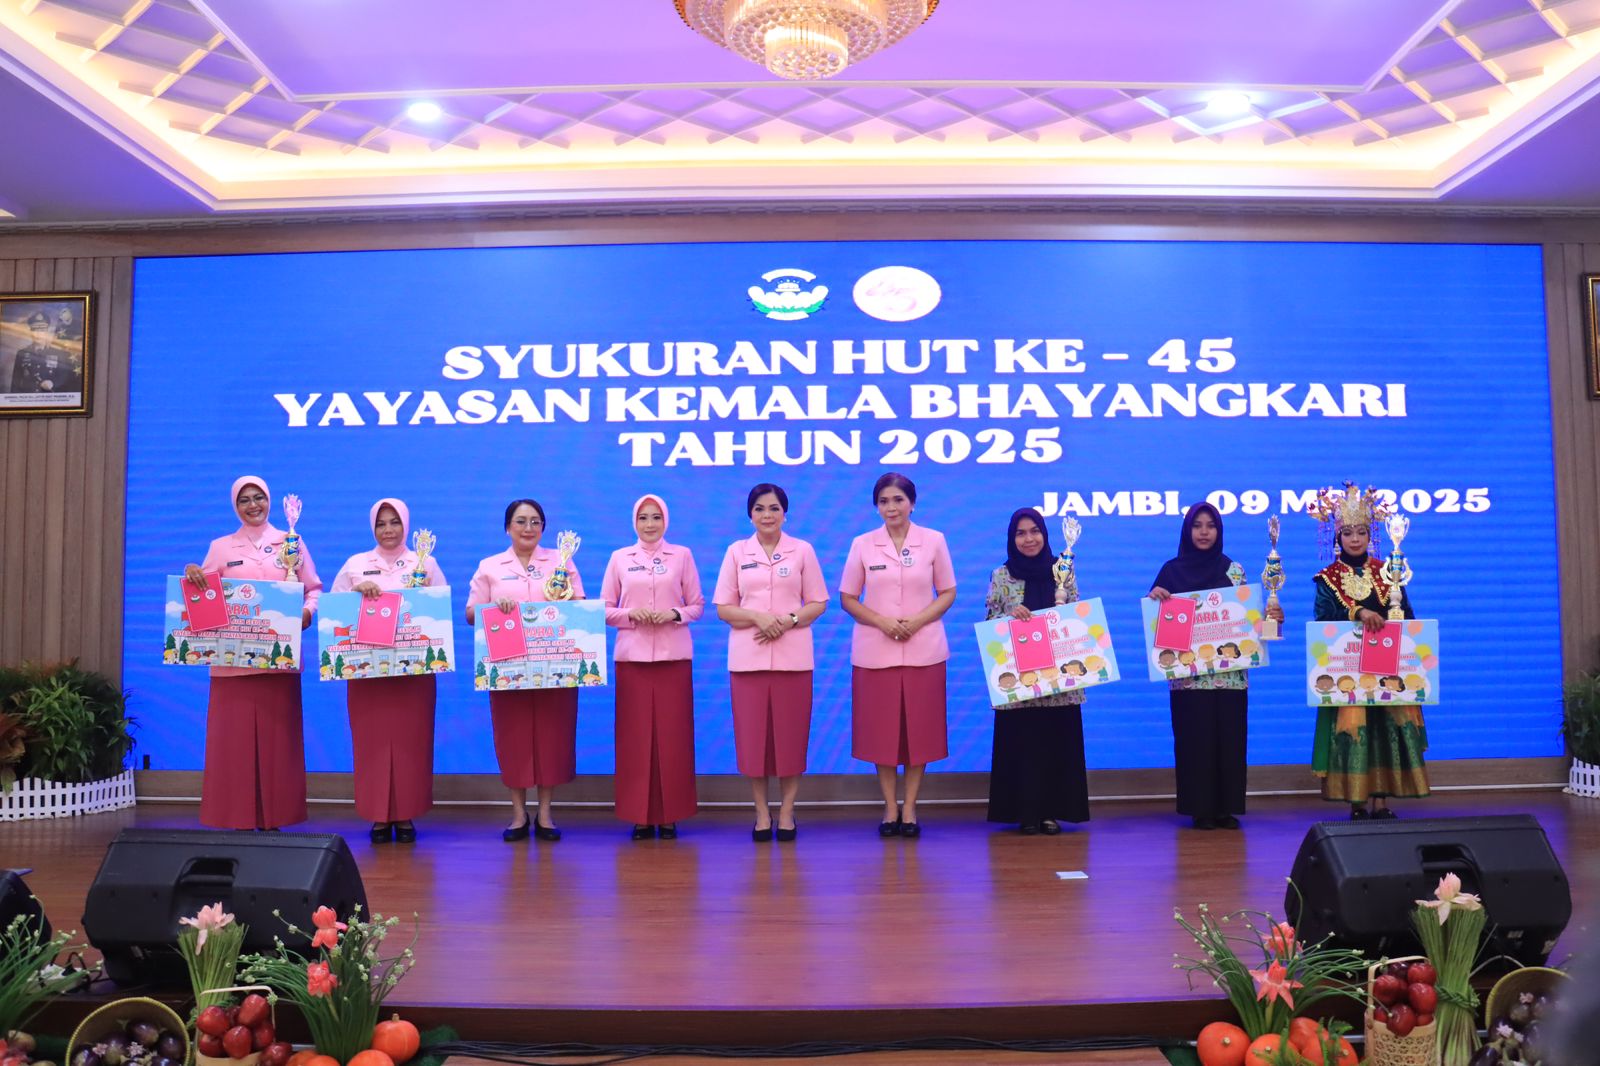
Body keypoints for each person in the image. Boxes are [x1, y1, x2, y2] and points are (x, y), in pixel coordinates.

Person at [183, 476, 320, 830]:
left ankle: (276, 819)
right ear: (235, 506)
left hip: (279, 664)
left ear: (269, 501)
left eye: (259, 497)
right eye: (244, 500)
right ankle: (238, 819)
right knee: (233, 747)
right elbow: (203, 593)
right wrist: (192, 575)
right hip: (231, 668)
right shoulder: (220, 547)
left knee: (279, 747)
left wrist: (306, 613)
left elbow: (313, 590)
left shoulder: (291, 541)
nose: (253, 505)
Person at [1148, 502, 1283, 831]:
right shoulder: (1171, 572)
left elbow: (1250, 624)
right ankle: (1201, 809)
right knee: (1195, 741)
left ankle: (1226, 808)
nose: (1204, 532)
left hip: (1231, 675)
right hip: (1189, 677)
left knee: (1230, 740)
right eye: (1197, 525)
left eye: (1211, 526)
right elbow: (1157, 623)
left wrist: (1272, 620)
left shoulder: (1234, 570)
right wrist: (1155, 598)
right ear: (1187, 530)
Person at [839, 472, 956, 839]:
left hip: (925, 650)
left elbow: (948, 592)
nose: (891, 507)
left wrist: (917, 621)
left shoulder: (934, 540)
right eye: (884, 501)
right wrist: (882, 622)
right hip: (876, 652)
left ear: (912, 503)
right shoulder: (862, 544)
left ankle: (910, 807)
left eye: (898, 500)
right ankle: (890, 806)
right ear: (877, 506)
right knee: (883, 734)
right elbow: (847, 598)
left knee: (919, 733)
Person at [712, 483, 828, 842]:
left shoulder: (803, 550)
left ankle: (788, 811)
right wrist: (757, 617)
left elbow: (818, 602)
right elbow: (724, 608)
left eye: (774, 508)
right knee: (754, 743)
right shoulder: (736, 551)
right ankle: (762, 812)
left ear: (785, 514)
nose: (767, 515)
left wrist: (789, 620)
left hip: (794, 660)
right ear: (750, 515)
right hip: (748, 661)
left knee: (791, 740)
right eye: (760, 509)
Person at [1308, 482, 1428, 818]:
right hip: (1348, 666)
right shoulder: (1327, 578)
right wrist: (1358, 612)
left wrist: (1395, 618)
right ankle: (1357, 802)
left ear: (1370, 535)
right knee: (1355, 729)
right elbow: (1323, 620)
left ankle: (1382, 802)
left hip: (1387, 661)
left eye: (1361, 532)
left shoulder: (1388, 571)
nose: (1355, 539)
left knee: (1385, 728)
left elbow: (1408, 615)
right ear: (1338, 537)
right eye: (1348, 533)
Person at [466, 499, 583, 842]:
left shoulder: (562, 562)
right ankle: (518, 814)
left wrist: (567, 603)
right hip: (507, 666)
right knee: (513, 738)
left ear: (543, 527)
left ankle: (545, 814)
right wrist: (493, 607)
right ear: (507, 527)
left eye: (535, 521)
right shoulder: (490, 566)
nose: (528, 528)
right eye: (520, 521)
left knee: (552, 738)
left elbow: (580, 606)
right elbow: (471, 614)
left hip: (555, 666)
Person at [329, 498, 444, 844]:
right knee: (372, 744)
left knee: (412, 743)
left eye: (395, 522)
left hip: (413, 675)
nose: (388, 530)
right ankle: (378, 815)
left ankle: (406, 813)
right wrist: (355, 593)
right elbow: (332, 609)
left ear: (406, 525)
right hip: (368, 674)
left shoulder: (425, 563)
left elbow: (440, 609)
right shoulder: (356, 564)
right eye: (381, 523)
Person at [602, 494, 704, 840]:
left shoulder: (682, 555)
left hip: (674, 659)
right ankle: (640, 816)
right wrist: (632, 614)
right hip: (632, 660)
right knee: (635, 739)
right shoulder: (619, 558)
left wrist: (673, 614)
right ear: (634, 522)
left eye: (656, 517)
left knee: (673, 738)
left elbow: (697, 605)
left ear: (666, 521)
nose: (649, 524)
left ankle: (671, 814)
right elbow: (604, 609)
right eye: (643, 518)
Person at [984, 508, 1089, 835]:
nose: (1028, 539)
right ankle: (1025, 813)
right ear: (1011, 538)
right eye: (1021, 533)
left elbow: (1078, 612)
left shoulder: (1063, 570)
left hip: (1059, 681)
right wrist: (1009, 618)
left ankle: (1051, 813)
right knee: (1022, 746)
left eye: (1034, 531)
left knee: (1056, 745)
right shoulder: (1002, 575)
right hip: (1019, 683)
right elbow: (989, 623)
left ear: (1044, 534)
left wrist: (1065, 615)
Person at [9, 311, 82, 395]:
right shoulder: (22, 353)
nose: (38, 335)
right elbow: (15, 382)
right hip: (28, 398)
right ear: (30, 332)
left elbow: (64, 377)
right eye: (35, 330)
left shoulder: (57, 353)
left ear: (46, 333)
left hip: (49, 398)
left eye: (42, 331)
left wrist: (53, 383)